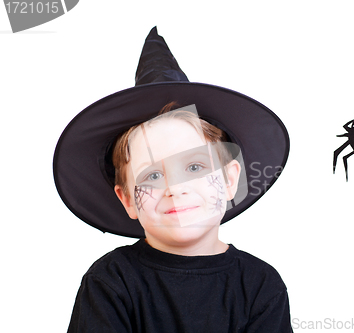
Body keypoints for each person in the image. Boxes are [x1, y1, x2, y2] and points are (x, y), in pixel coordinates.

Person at [53, 27, 292, 332]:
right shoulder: (111, 280)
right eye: (152, 175)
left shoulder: (260, 285)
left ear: (231, 179)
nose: (175, 189)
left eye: (194, 167)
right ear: (127, 199)